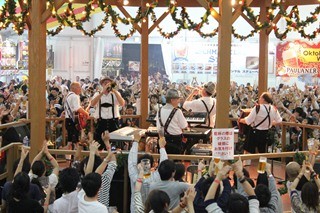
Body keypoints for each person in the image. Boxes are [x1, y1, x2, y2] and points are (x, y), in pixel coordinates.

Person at [128, 132, 168, 212]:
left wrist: (136, 141)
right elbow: (164, 163)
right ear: (152, 165)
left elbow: (131, 161)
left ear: (139, 164)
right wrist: (162, 147)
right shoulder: (156, 176)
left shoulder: (134, 176)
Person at [91, 76, 125, 150]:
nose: (106, 85)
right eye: (105, 83)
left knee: (114, 146)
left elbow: (122, 103)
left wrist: (114, 91)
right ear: (102, 85)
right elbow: (92, 104)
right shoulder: (97, 94)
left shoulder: (116, 93)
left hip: (113, 122)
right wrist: (102, 93)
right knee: (98, 146)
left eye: (108, 83)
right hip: (101, 122)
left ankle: (113, 160)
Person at [156, 89, 188, 154]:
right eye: (177, 99)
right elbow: (184, 126)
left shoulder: (159, 110)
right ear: (172, 100)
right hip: (175, 141)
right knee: (175, 162)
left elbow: (158, 128)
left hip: (162, 140)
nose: (179, 101)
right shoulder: (177, 111)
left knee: (163, 160)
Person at [64, 82, 89, 147]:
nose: (80, 89)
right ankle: (76, 156)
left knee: (70, 142)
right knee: (75, 142)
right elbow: (77, 108)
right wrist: (86, 113)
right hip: (73, 121)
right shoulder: (75, 96)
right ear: (73, 88)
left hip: (68, 120)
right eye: (79, 87)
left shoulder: (68, 96)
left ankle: (67, 156)